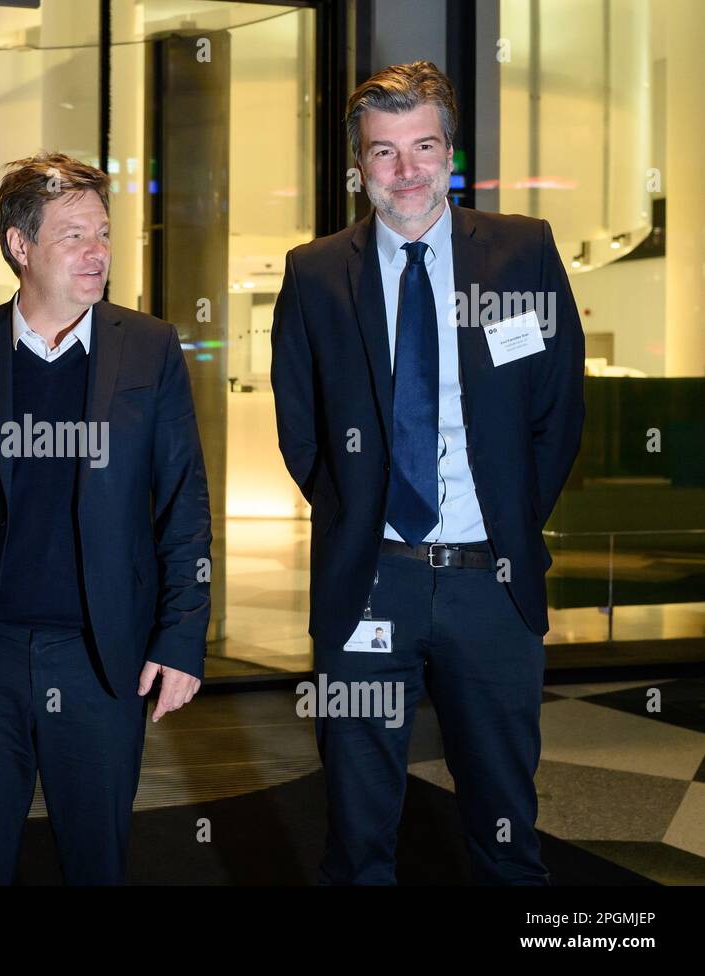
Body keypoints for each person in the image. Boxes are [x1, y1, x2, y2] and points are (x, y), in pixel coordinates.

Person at [270, 61, 584, 884]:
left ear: (450, 151)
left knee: (506, 824)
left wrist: (507, 518)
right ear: (359, 164)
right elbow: (300, 427)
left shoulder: (522, 252)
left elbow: (557, 411)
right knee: (359, 821)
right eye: (384, 152)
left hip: (494, 582)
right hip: (371, 580)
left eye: (422, 146)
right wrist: (358, 521)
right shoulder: (314, 272)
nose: (405, 171)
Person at [0, 152, 212, 884]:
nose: (96, 252)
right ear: (21, 246)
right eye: (74, 235)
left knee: (97, 862)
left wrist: (181, 636)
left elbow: (183, 503)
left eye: (103, 234)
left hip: (101, 659)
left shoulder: (149, 346)